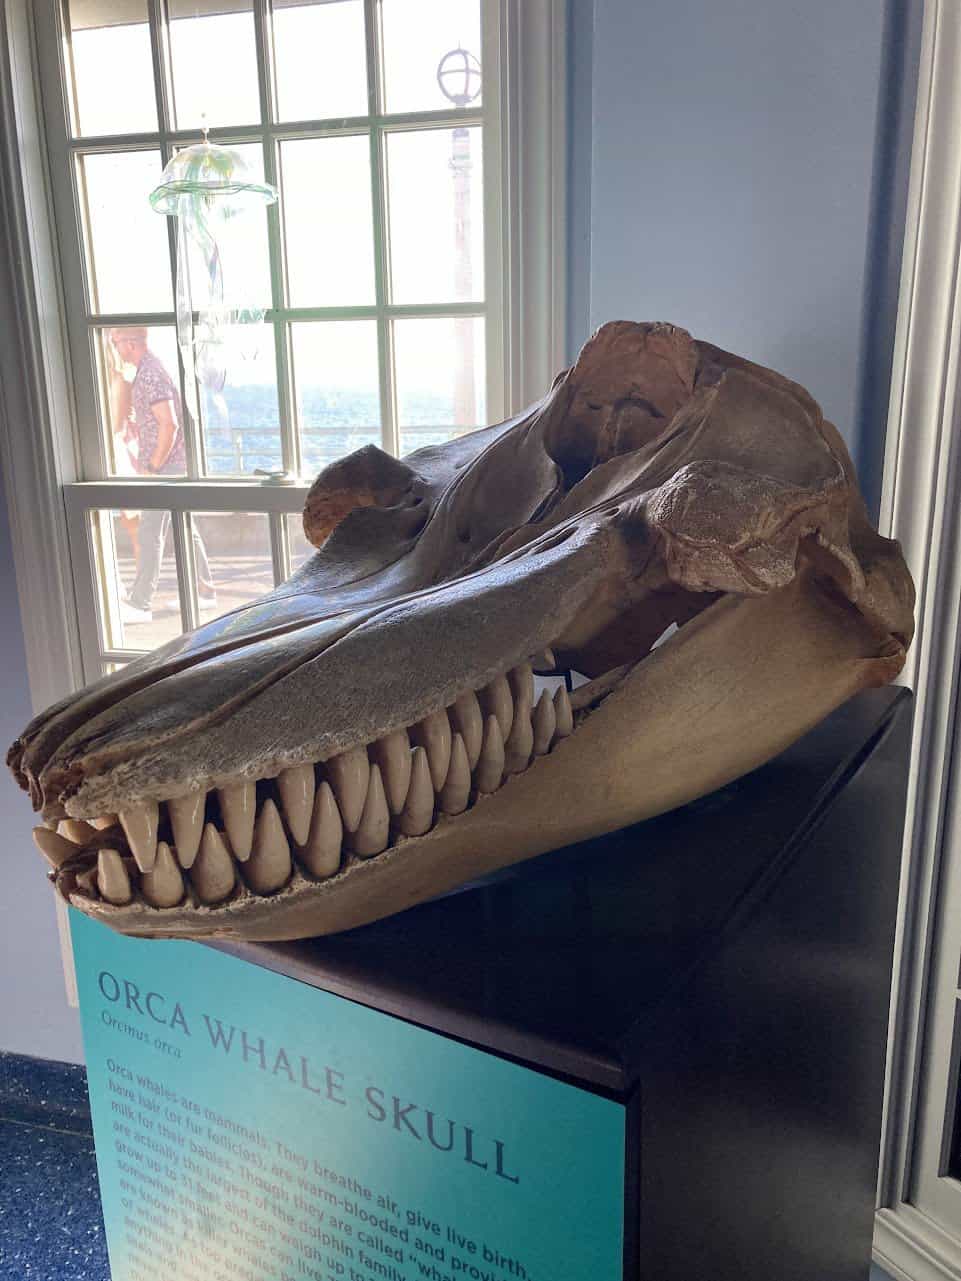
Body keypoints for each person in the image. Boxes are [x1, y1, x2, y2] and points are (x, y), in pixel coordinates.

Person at [108, 328, 216, 623]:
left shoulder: (150, 374)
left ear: (129, 344)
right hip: (173, 464)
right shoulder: (148, 370)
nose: (114, 348)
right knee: (184, 528)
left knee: (149, 532)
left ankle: (141, 602)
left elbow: (169, 425)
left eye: (115, 343)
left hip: (165, 468)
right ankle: (206, 591)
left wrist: (154, 466)